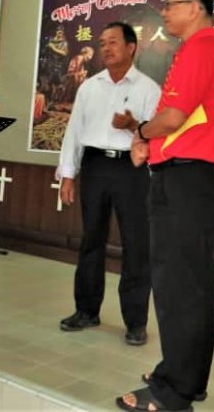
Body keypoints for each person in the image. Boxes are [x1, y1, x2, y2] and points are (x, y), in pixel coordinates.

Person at [117, 0, 214, 412]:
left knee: (179, 288)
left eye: (171, 3)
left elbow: (172, 117)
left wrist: (141, 133)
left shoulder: (199, 49)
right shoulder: (208, 49)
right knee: (190, 286)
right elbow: (184, 121)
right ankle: (185, 375)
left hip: (184, 184)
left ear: (196, 8)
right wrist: (152, 140)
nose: (164, 11)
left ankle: (174, 392)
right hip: (192, 181)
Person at [56, 22, 161, 346]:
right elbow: (74, 131)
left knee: (136, 244)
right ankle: (86, 310)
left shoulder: (149, 89)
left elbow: (157, 133)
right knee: (91, 239)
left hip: (132, 169)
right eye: (102, 43)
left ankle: (135, 322)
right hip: (95, 165)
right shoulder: (90, 87)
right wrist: (68, 174)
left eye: (113, 42)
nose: (106, 48)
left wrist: (132, 125)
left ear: (131, 47)